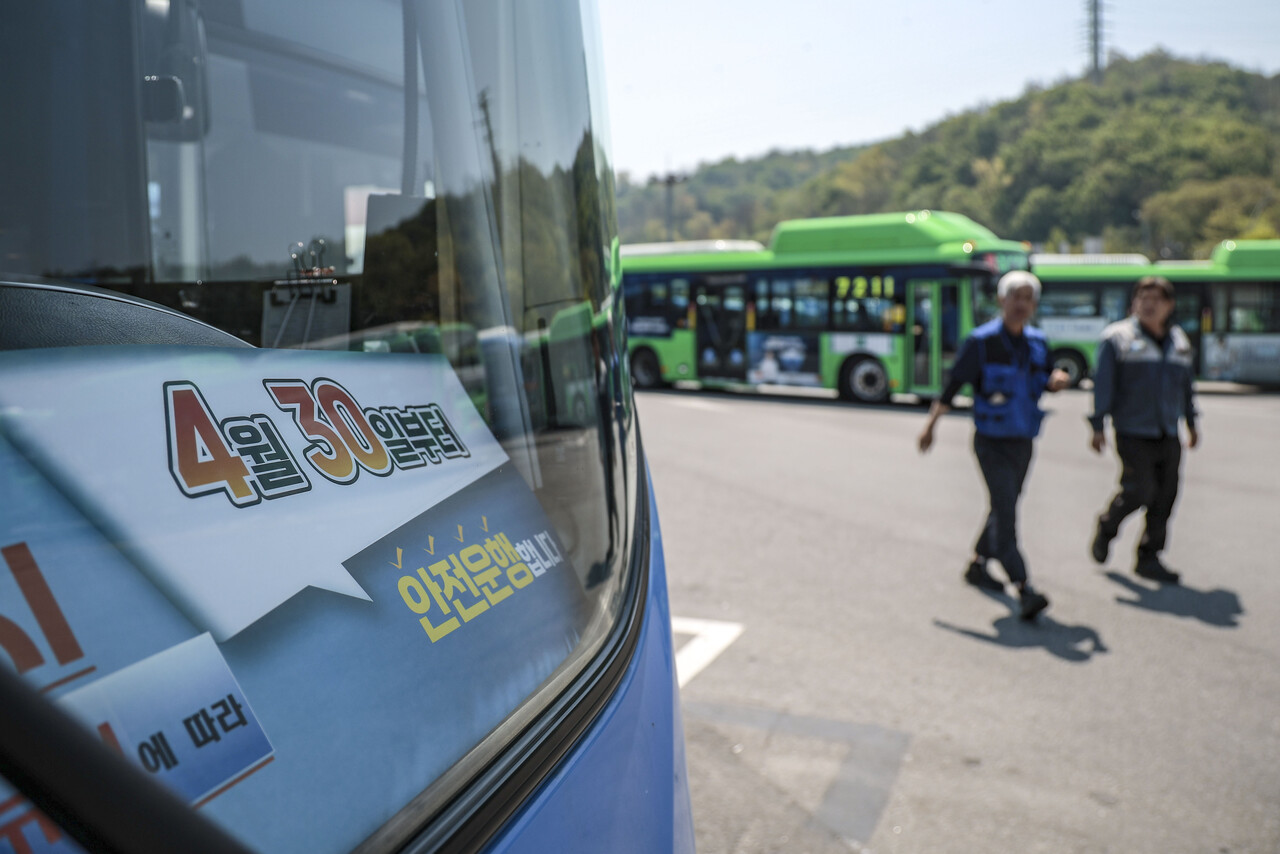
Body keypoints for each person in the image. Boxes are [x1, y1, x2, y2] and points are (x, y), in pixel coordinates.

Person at [918, 270, 1071, 620]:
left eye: (1028, 298)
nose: (1021, 304)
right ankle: (1024, 587)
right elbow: (952, 387)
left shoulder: (1037, 342)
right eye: (1015, 297)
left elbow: (1046, 377)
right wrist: (931, 426)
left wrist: (1056, 380)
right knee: (1006, 512)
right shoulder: (981, 342)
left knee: (1005, 503)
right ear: (1001, 300)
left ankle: (977, 564)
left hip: (1023, 439)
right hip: (991, 441)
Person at [1088, 275, 1198, 584]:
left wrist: (1191, 422)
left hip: (1167, 430)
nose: (1149, 305)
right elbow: (1103, 385)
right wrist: (1097, 425)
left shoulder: (1179, 340)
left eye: (1156, 300)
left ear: (1169, 306)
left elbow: (1186, 386)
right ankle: (1108, 525)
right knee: (1139, 490)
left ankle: (1149, 557)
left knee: (1166, 495)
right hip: (1132, 429)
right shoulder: (1117, 338)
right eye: (1143, 298)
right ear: (1134, 303)